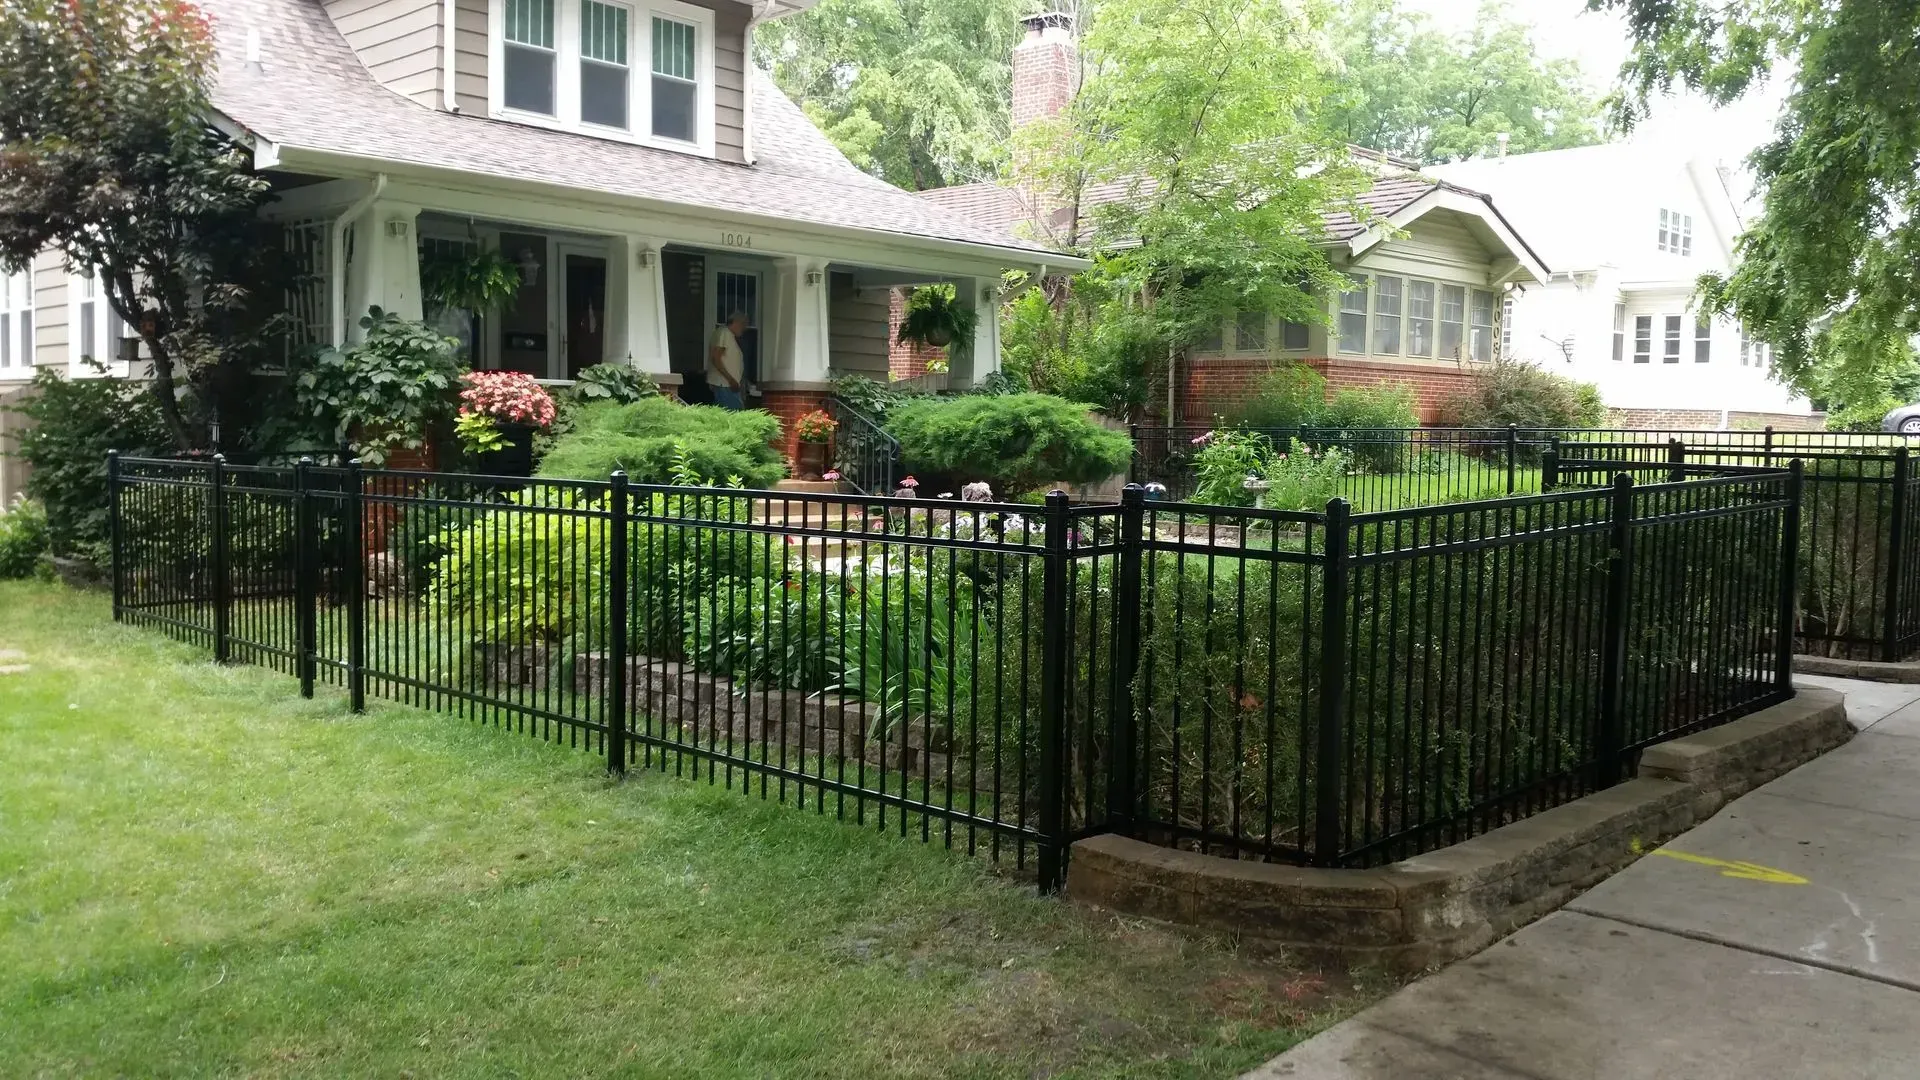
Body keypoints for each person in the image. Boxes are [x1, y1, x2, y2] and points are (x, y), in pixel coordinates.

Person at [708, 311, 748, 410]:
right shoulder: (724, 333)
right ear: (735, 322)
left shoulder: (726, 334)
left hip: (726, 384)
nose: (744, 328)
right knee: (735, 416)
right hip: (725, 384)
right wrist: (731, 380)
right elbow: (716, 358)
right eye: (743, 324)